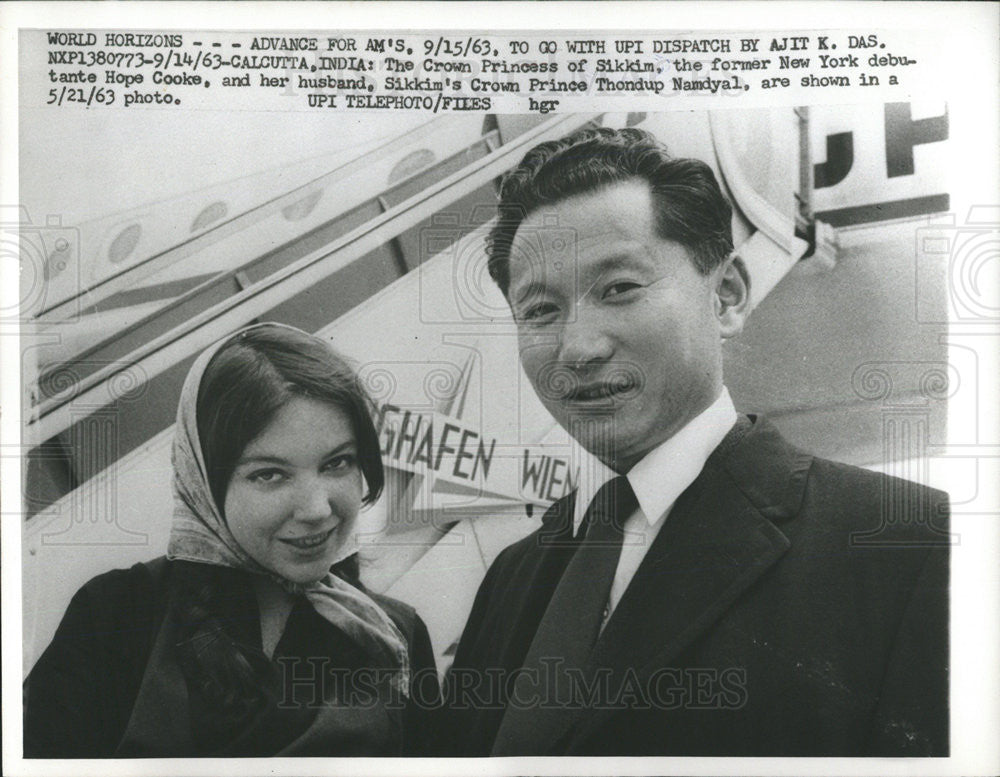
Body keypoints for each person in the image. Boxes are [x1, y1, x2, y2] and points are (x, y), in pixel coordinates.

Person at [443, 127, 949, 756]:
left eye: (619, 288)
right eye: (540, 311)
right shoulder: (515, 576)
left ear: (727, 297)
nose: (577, 347)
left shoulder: (910, 543)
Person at [24, 323, 439, 757]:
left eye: (337, 463)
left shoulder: (397, 635)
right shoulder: (115, 615)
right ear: (202, 482)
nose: (316, 508)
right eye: (269, 474)